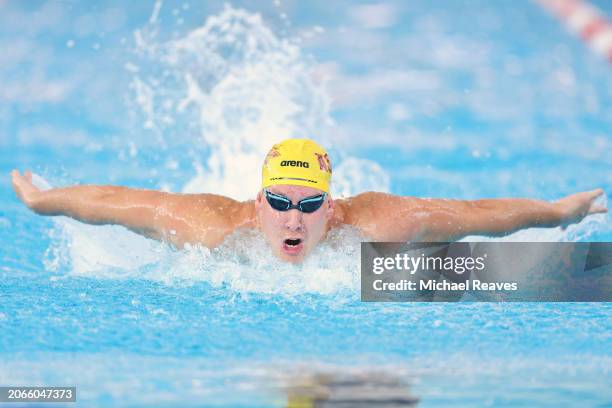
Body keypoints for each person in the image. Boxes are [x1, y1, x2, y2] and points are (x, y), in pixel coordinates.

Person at [11, 138, 607, 263]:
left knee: (436, 235)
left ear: (332, 205)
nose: (292, 218)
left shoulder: (379, 221)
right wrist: (45, 201)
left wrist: (559, 213)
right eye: (279, 202)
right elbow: (116, 201)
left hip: (395, 252)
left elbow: (481, 213)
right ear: (257, 200)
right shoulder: (214, 228)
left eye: (308, 204)